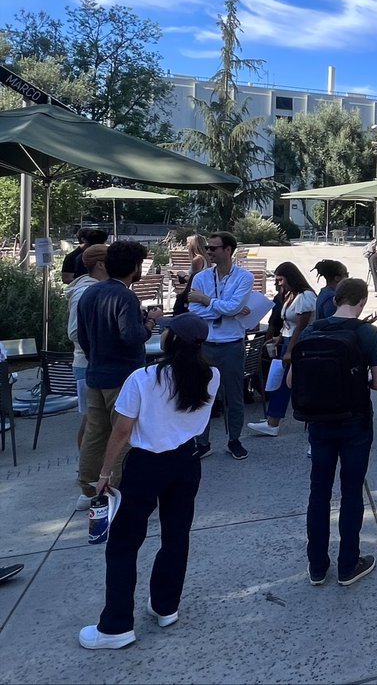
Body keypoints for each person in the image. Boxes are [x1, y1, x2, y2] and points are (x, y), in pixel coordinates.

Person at [77, 313, 220, 650]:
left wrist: (104, 473)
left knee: (124, 544)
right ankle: (166, 605)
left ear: (171, 340)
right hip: (186, 461)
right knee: (176, 535)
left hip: (146, 464)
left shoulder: (142, 378)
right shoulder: (210, 376)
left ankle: (116, 626)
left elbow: (122, 431)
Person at [296, 278, 377, 587]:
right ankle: (349, 564)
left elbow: (290, 382)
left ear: (335, 300)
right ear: (362, 302)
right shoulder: (368, 333)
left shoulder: (312, 330)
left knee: (318, 492)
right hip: (355, 422)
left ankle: (317, 566)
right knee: (351, 492)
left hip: (319, 423)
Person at [76, 240, 162, 501]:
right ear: (135, 267)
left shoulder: (89, 293)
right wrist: (150, 321)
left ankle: (89, 486)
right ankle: (116, 487)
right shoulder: (125, 295)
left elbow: (83, 337)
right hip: (123, 377)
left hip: (96, 373)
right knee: (123, 434)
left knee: (95, 433)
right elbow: (131, 336)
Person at [187, 231, 254, 461]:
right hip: (205, 343)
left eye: (213, 248)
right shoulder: (201, 278)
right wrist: (225, 309)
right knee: (202, 395)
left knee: (234, 396)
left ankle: (234, 439)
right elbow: (194, 311)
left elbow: (233, 307)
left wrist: (207, 301)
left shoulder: (244, 277)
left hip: (231, 345)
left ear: (228, 250)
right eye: (207, 248)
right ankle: (202, 442)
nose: (208, 252)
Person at [248, 263, 316, 436]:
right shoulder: (290, 295)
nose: (278, 283)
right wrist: (279, 338)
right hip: (287, 340)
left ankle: (273, 422)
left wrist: (290, 350)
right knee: (284, 382)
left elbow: (301, 326)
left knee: (284, 383)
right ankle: (273, 419)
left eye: (280, 279)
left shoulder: (305, 296)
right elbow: (290, 324)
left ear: (290, 277)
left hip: (298, 344)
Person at [68, 245, 109, 509]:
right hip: (88, 364)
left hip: (91, 363)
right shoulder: (85, 290)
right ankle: (87, 479)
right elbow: (75, 331)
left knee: (93, 423)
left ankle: (88, 476)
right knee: (93, 425)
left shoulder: (93, 286)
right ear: (101, 265)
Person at [172, 234, 209, 315]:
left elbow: (194, 279)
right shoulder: (206, 258)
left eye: (188, 243)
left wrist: (183, 275)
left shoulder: (197, 259)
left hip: (194, 292)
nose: (187, 245)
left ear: (194, 245)